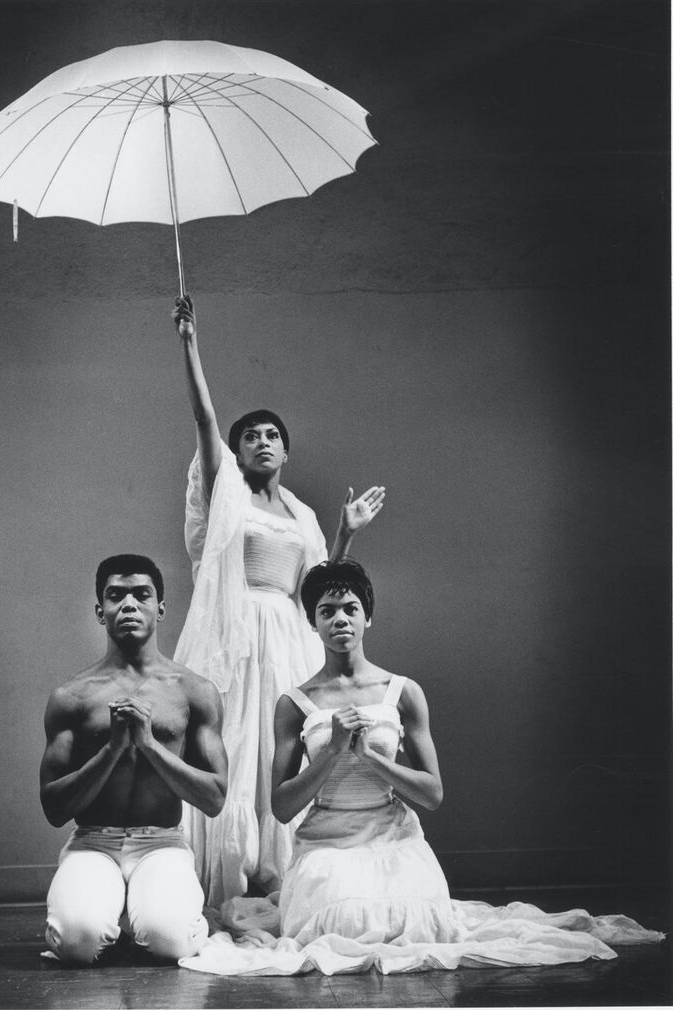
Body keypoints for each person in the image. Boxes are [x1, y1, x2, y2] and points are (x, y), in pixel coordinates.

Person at [179, 560, 664, 975]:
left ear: (368, 617)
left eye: (351, 609)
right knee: (341, 926)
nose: (340, 620)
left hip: (393, 839)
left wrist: (370, 755)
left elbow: (432, 794)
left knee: (420, 925)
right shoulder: (295, 703)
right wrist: (330, 753)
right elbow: (281, 808)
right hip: (327, 846)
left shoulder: (402, 691)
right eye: (327, 612)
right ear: (313, 623)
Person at [172, 293, 386, 908]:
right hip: (236, 637)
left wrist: (345, 531)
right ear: (237, 452)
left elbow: (319, 587)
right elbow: (204, 423)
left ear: (286, 452)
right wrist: (190, 344)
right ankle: (229, 885)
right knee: (236, 750)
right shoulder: (227, 496)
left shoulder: (302, 514)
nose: (261, 441)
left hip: (287, 634)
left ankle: (285, 882)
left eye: (272, 436)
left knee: (283, 751)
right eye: (251, 436)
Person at [39, 554, 228, 966]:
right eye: (115, 596)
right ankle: (106, 913)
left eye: (142, 595)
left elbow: (214, 797)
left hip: (161, 841)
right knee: (78, 942)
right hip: (92, 842)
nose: (129, 605)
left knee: (172, 942)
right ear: (99, 610)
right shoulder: (71, 696)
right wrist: (111, 751)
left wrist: (148, 745)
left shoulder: (194, 691)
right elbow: (54, 808)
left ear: (160, 607)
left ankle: (151, 912)